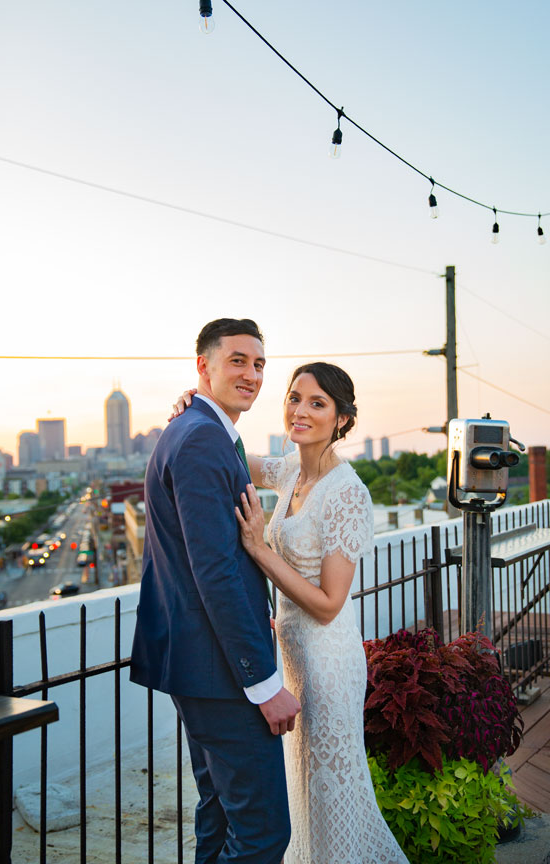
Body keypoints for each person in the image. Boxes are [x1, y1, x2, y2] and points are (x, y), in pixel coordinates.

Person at [171, 363, 407, 863]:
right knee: (302, 792)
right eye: (294, 398)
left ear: (342, 419)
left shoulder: (348, 493)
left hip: (328, 661)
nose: (300, 411)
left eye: (317, 403)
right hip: (292, 660)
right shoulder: (290, 468)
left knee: (333, 790)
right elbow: (229, 454)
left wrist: (259, 549)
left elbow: (327, 605)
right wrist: (199, 404)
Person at [130, 318, 299, 864]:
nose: (251, 374)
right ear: (203, 365)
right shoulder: (201, 437)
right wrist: (263, 682)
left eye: (259, 365)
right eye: (237, 361)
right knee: (263, 834)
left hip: (199, 665)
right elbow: (217, 572)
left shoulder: (199, 428)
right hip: (221, 673)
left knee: (221, 814)